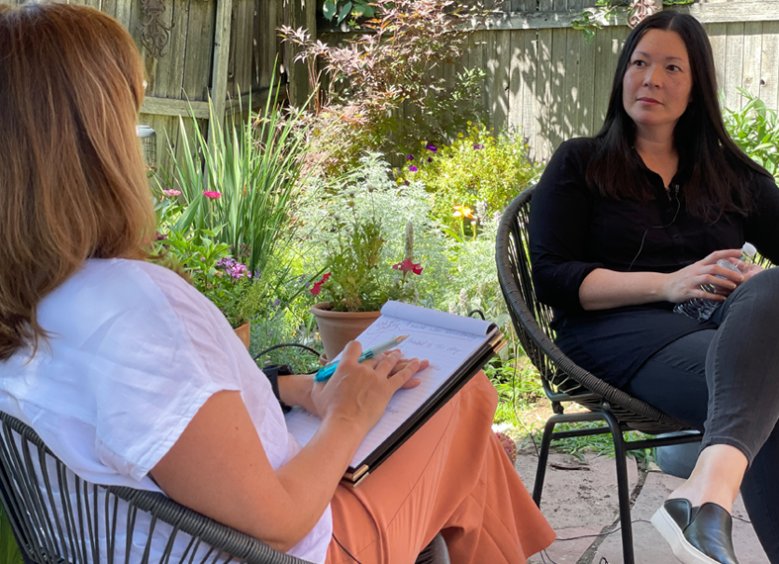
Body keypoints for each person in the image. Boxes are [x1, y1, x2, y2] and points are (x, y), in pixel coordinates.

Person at [0, 4, 555, 564]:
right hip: (289, 547)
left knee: (463, 450)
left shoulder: (33, 300)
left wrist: (300, 390)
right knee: (463, 398)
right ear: (101, 142)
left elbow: (157, 424)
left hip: (152, 541)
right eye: (130, 113)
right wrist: (346, 414)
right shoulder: (134, 308)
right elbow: (281, 526)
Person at [529, 11, 779, 564]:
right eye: (640, 63)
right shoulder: (580, 163)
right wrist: (669, 283)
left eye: (672, 67)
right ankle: (712, 506)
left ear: (696, 90)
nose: (651, 79)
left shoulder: (730, 175)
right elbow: (552, 276)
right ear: (623, 74)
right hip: (617, 336)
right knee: (776, 390)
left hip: (722, 331)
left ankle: (705, 494)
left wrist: (760, 289)